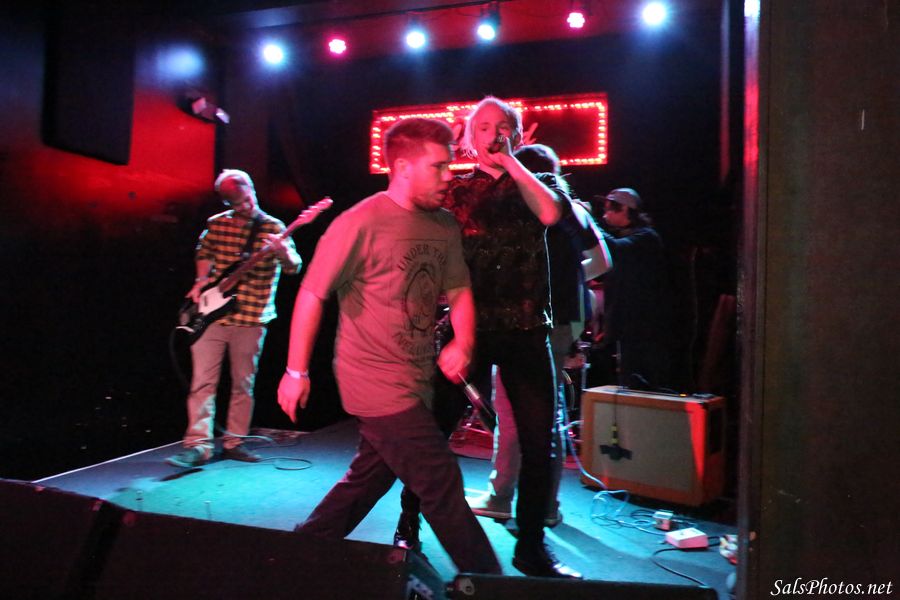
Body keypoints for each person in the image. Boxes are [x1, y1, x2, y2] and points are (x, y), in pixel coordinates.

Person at [276, 117, 501, 575]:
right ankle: (489, 583)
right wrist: (296, 371)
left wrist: (464, 340)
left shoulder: (443, 225)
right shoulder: (359, 223)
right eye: (438, 167)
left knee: (369, 477)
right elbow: (312, 293)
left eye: (450, 165)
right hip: (372, 378)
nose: (449, 176)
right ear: (402, 167)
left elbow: (459, 289)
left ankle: (301, 553)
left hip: (415, 376)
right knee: (440, 481)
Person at [396, 97, 581, 579]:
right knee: (433, 434)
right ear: (468, 138)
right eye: (482, 127)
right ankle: (407, 525)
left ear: (515, 135)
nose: (493, 133)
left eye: (502, 126)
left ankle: (531, 546)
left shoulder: (538, 184)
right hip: (469, 329)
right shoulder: (456, 191)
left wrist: (513, 164)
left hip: (527, 329)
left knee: (540, 442)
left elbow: (549, 215)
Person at [465, 144, 612, 526]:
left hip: (535, 320)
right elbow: (603, 261)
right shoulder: (572, 207)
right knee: (546, 412)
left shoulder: (529, 208)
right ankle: (544, 503)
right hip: (564, 319)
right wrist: (570, 280)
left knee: (516, 412)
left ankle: (504, 496)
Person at [167, 169, 302, 468]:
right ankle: (197, 446)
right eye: (237, 203)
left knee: (243, 384)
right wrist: (201, 280)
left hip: (252, 316)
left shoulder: (273, 226)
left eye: (247, 198)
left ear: (252, 188)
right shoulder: (216, 224)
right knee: (202, 383)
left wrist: (282, 251)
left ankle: (234, 442)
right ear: (227, 202)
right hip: (213, 317)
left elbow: (294, 267)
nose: (246, 205)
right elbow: (204, 251)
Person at [598, 187, 673, 390]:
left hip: (642, 327)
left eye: (609, 209)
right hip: (626, 325)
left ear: (624, 209)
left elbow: (615, 248)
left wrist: (589, 223)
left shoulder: (646, 237)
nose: (605, 215)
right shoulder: (628, 236)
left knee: (641, 379)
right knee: (626, 378)